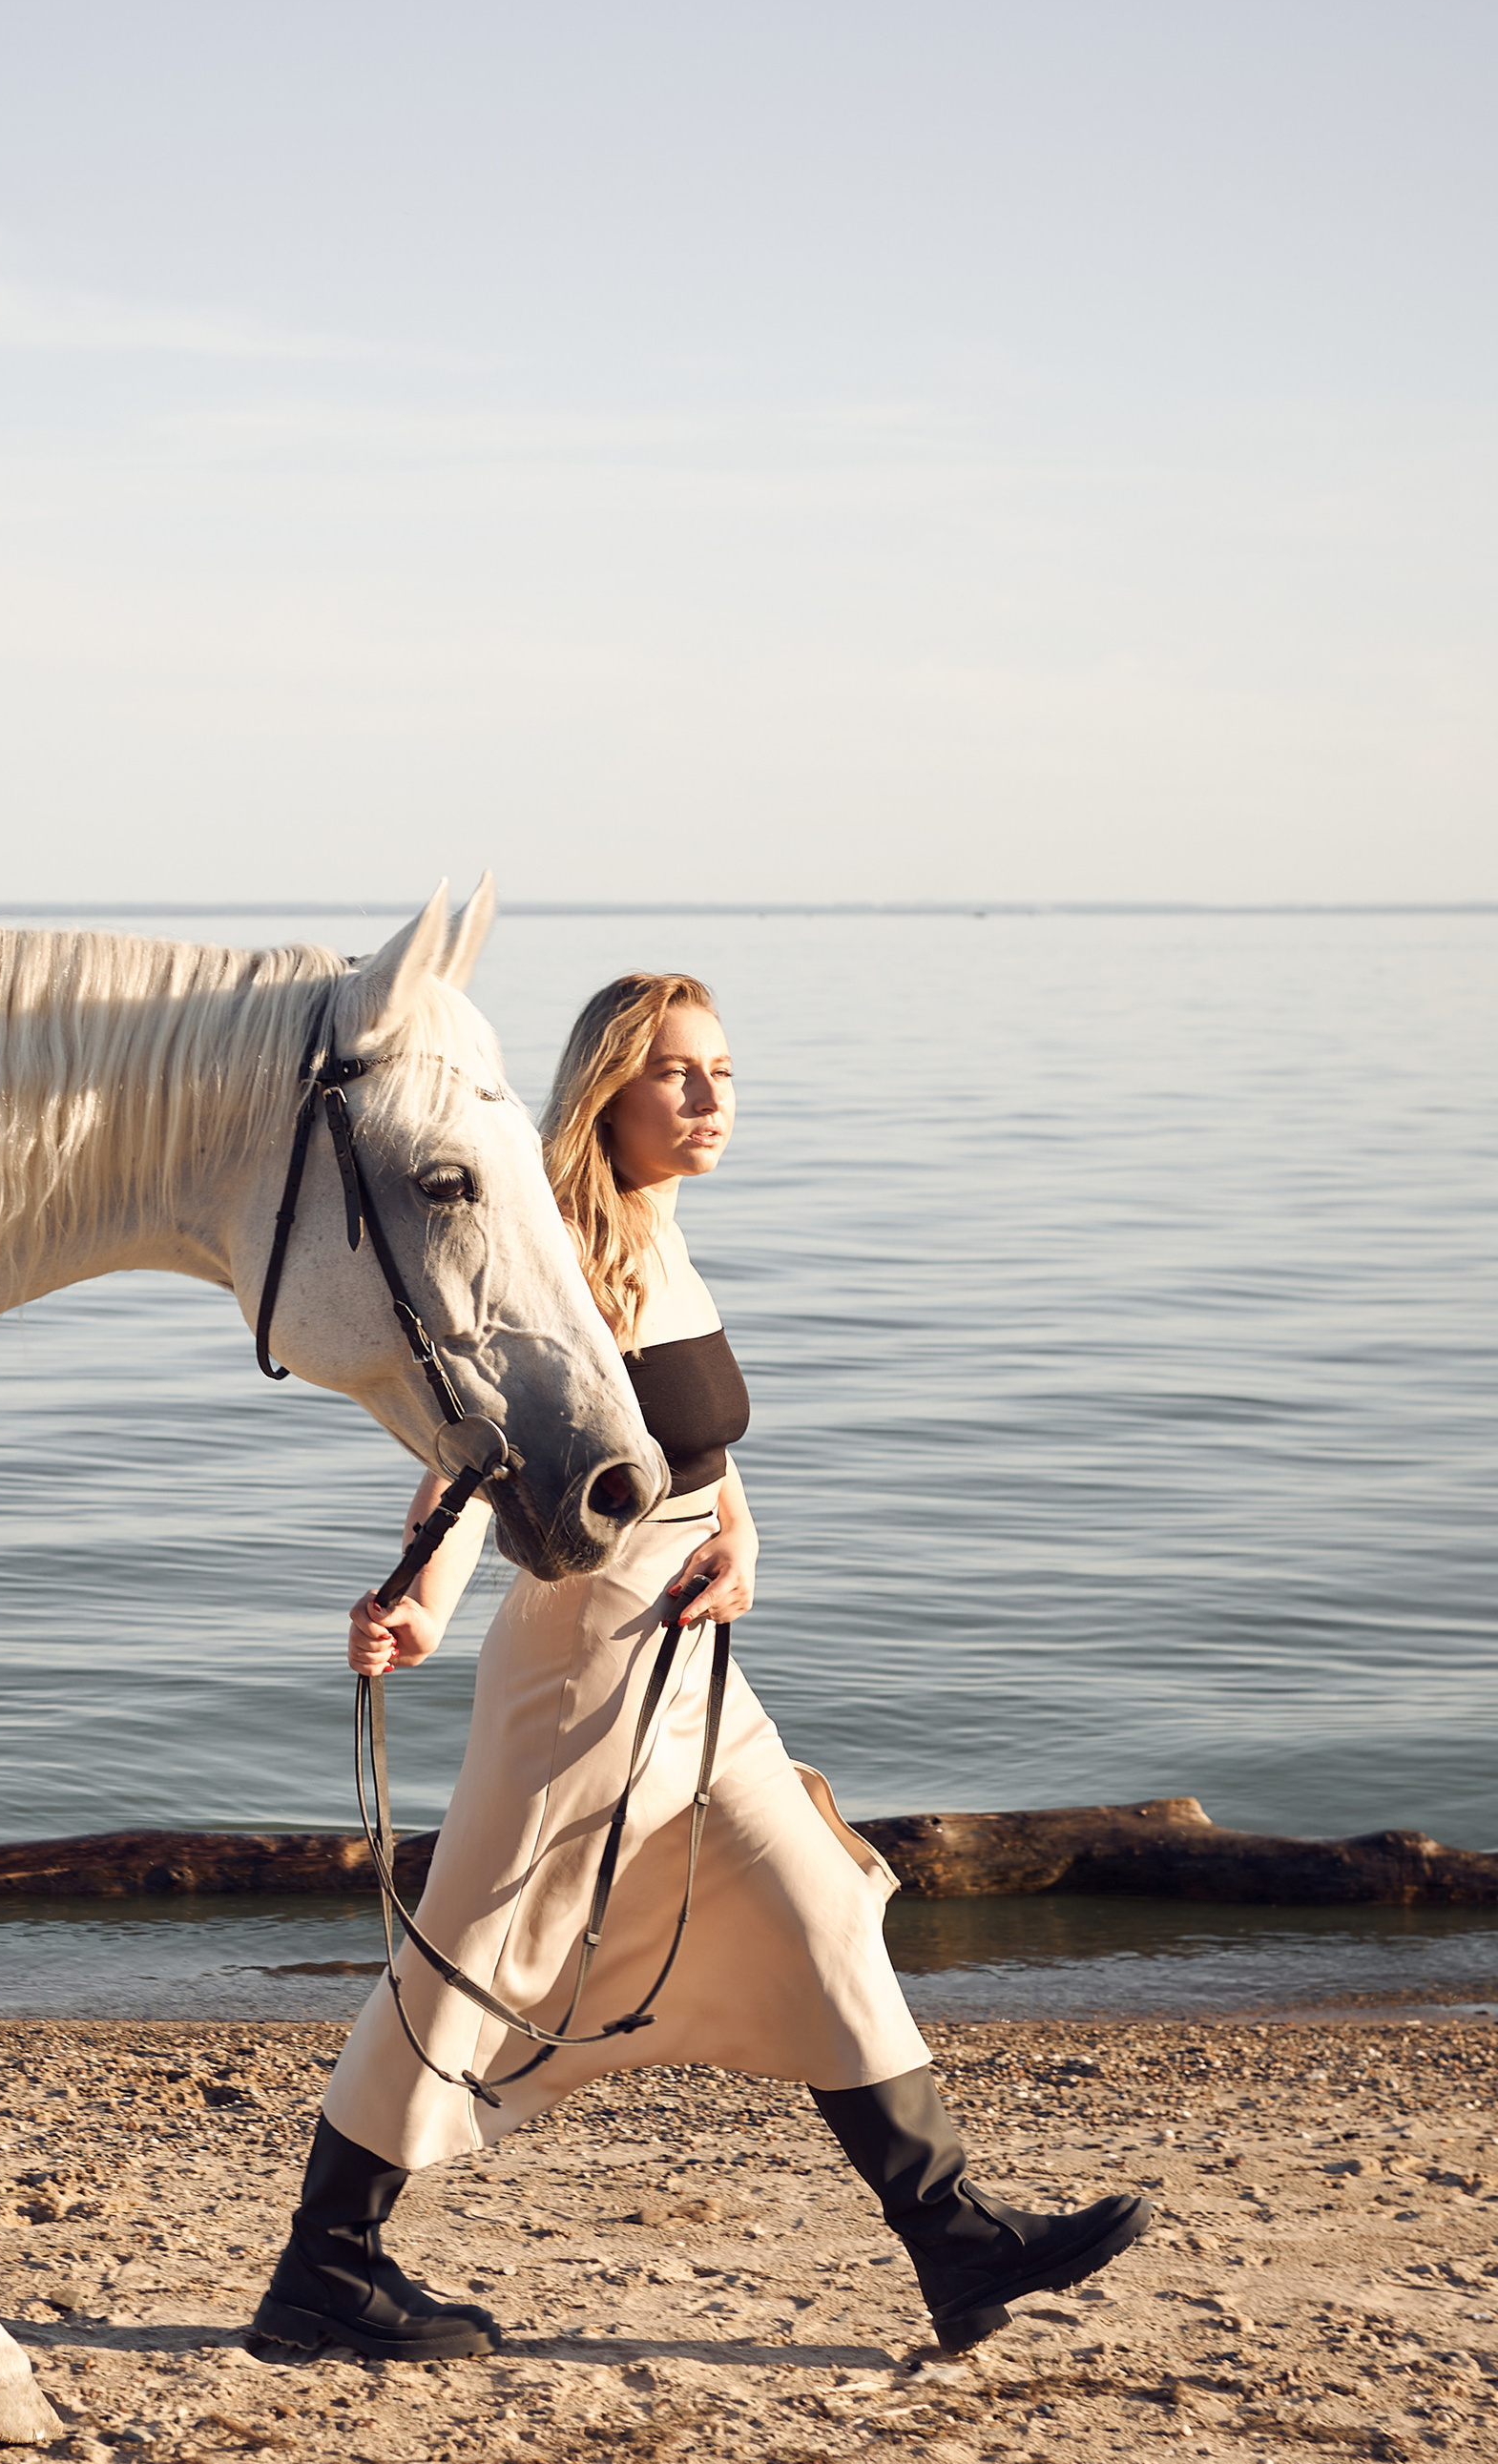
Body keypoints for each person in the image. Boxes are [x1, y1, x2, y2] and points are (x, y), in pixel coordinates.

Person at [249, 968, 1150, 2363]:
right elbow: (477, 1462)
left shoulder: (666, 1236)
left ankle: (957, 2244)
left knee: (820, 1909)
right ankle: (326, 2266)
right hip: (580, 1674)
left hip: (698, 1669)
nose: (713, 1097)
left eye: (723, 1069)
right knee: (465, 1953)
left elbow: (705, 1454)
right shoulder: (549, 1246)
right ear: (609, 1087)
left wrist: (745, 1548)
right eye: (679, 1072)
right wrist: (417, 1603)